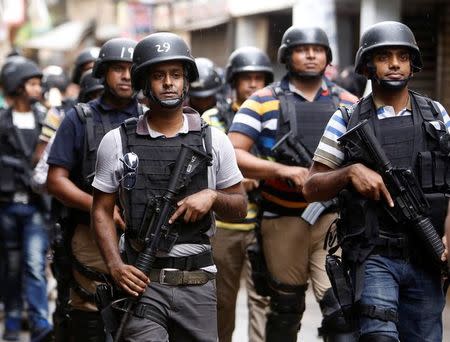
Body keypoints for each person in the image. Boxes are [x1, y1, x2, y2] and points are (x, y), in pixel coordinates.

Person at [90, 32, 247, 342]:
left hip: (198, 284)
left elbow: (240, 205)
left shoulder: (213, 140)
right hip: (142, 282)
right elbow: (101, 210)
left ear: (186, 81)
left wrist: (212, 197)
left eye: (176, 74)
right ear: (144, 83)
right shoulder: (117, 141)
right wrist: (115, 265)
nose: (169, 83)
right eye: (159, 75)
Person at [303, 21, 449, 341]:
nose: (395, 64)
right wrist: (348, 173)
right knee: (377, 337)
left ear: (413, 64)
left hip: (427, 255)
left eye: (403, 56)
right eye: (384, 56)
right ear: (368, 65)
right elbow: (310, 187)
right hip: (374, 256)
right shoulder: (346, 118)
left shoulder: (436, 115)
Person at [228, 27, 358, 341]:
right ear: (288, 56)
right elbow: (232, 152)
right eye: (302, 49)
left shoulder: (348, 102)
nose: (311, 54)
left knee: (341, 309)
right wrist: (282, 171)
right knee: (286, 307)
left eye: (317, 49)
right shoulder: (262, 100)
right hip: (283, 218)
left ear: (328, 56)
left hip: (332, 219)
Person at [46, 37, 138, 341]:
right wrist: (101, 209)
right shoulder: (80, 118)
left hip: (144, 234)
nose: (126, 75)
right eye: (118, 68)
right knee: (90, 314)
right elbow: (55, 180)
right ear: (103, 72)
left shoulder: (153, 115)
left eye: (132, 68)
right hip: (90, 232)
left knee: (142, 316)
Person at [203, 46, 273, 342]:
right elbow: (201, 167)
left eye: (259, 78)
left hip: (265, 222)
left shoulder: (273, 117)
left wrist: (256, 172)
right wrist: (237, 178)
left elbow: (282, 161)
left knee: (264, 300)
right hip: (224, 228)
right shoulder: (211, 119)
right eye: (247, 78)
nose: (254, 85)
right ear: (233, 81)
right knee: (221, 303)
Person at [0, 57, 53, 341]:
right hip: (6, 206)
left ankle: (39, 323)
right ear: (17, 86)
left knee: (34, 264)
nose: (37, 88)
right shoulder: (2, 121)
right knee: (10, 266)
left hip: (35, 207)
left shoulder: (46, 119)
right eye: (31, 83)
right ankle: (10, 320)